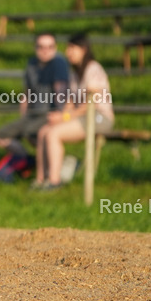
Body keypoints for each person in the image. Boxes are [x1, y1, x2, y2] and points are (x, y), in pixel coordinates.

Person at [33, 33, 114, 190]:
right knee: (44, 131)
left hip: (99, 118)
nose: (68, 52)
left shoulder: (93, 69)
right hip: (83, 116)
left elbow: (89, 104)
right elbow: (71, 101)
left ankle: (54, 181)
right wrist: (61, 116)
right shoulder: (75, 73)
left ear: (83, 49)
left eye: (72, 48)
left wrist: (66, 116)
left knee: (53, 134)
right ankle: (40, 179)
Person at [0, 32, 70, 156]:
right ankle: (30, 161)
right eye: (41, 47)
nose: (45, 51)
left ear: (55, 48)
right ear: (35, 47)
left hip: (49, 114)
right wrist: (23, 116)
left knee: (31, 132)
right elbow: (27, 94)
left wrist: (60, 114)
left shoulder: (59, 62)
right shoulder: (32, 64)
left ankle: (51, 163)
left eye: (50, 47)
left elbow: (61, 90)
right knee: (1, 135)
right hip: (32, 115)